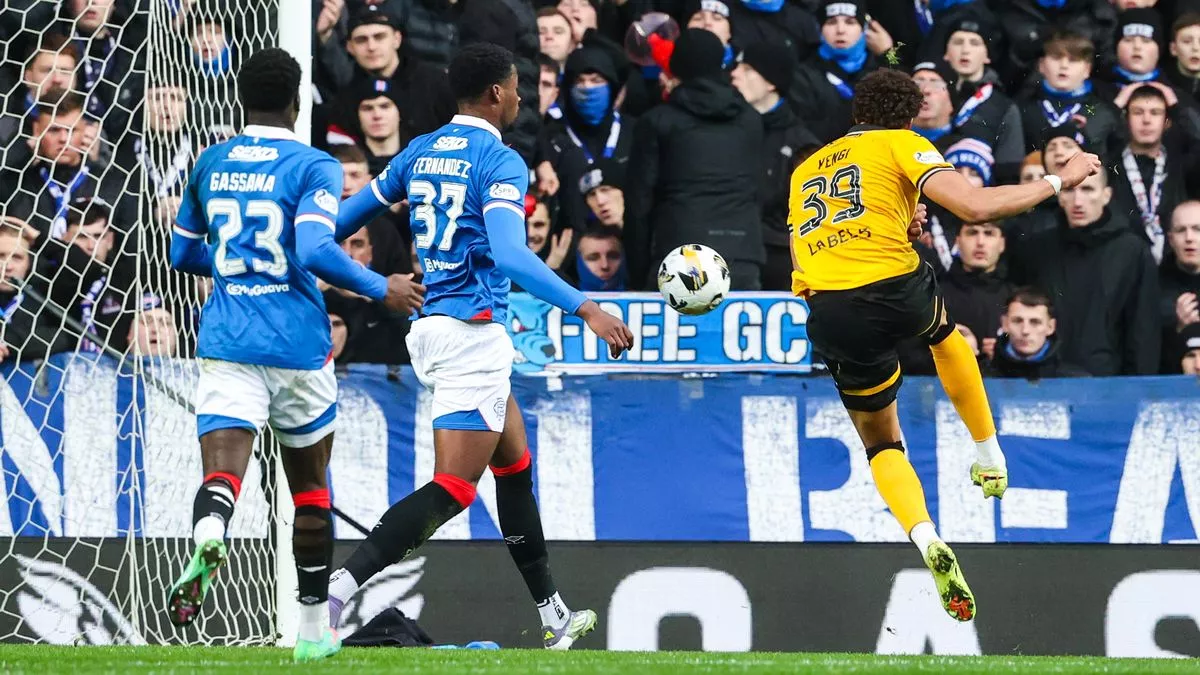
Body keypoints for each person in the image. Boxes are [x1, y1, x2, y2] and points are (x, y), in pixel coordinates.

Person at [329, 43, 632, 650]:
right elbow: (512, 255)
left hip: (435, 327)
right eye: (517, 88)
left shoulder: (419, 151)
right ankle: (336, 588)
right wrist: (588, 307)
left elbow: (334, 226)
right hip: (471, 333)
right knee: (454, 488)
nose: (520, 98)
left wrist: (370, 280)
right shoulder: (499, 159)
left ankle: (553, 616)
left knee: (513, 466)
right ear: (497, 93)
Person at [788, 68, 1101, 623]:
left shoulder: (806, 168)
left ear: (856, 114)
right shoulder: (903, 143)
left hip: (830, 307)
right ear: (909, 118)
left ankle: (925, 536)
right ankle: (989, 454)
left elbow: (811, 249)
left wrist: (899, 219)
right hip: (890, 283)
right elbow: (974, 207)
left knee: (882, 444)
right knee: (942, 335)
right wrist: (1061, 180)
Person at [162, 48, 423, 661]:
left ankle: (211, 528)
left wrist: (236, 266)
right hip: (299, 345)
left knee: (222, 471)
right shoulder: (313, 164)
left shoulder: (211, 161)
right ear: (297, 100)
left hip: (229, 339)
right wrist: (379, 286)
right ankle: (310, 631)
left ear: (241, 98)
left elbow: (182, 254)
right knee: (308, 488)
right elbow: (313, 248)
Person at [624, 28, 764, 290]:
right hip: (742, 255)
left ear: (676, 66)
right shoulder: (752, 120)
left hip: (678, 256)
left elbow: (638, 203)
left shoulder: (657, 121)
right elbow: (758, 189)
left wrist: (638, 274)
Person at [1007, 170, 1161, 376]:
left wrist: (1139, 387)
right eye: (1069, 190)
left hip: (1109, 382)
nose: (1078, 201)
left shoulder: (1132, 252)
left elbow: (1143, 330)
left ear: (1106, 195)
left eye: (1088, 189)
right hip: (1044, 379)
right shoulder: (1038, 248)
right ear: (1060, 196)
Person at [987, 288, 1088, 379]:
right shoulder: (981, 378)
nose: (1025, 331)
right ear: (1004, 324)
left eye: (1035, 322)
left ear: (1050, 327)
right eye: (1017, 321)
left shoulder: (1077, 381)